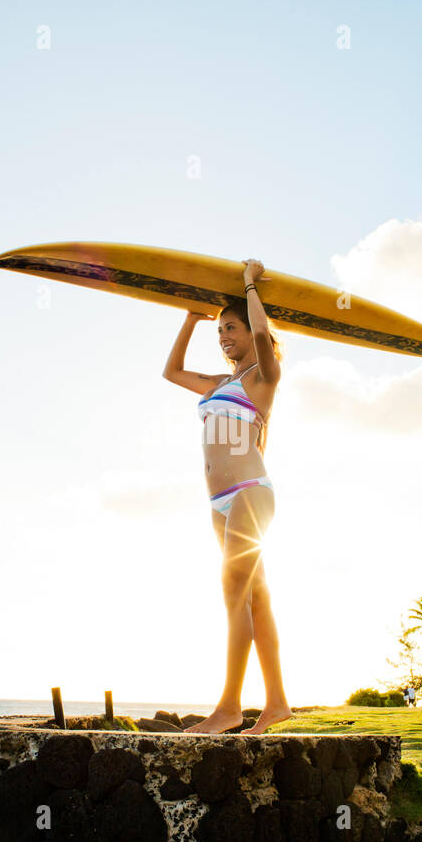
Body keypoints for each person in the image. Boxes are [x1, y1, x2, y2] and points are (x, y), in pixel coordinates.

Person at [162, 258, 290, 735]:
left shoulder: (263, 377)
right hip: (219, 502)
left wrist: (250, 286)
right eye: (220, 332)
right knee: (254, 602)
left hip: (249, 493)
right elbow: (171, 371)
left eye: (229, 327)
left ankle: (229, 708)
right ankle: (276, 704)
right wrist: (192, 320)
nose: (224, 338)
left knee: (234, 597)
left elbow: (261, 336)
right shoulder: (220, 384)